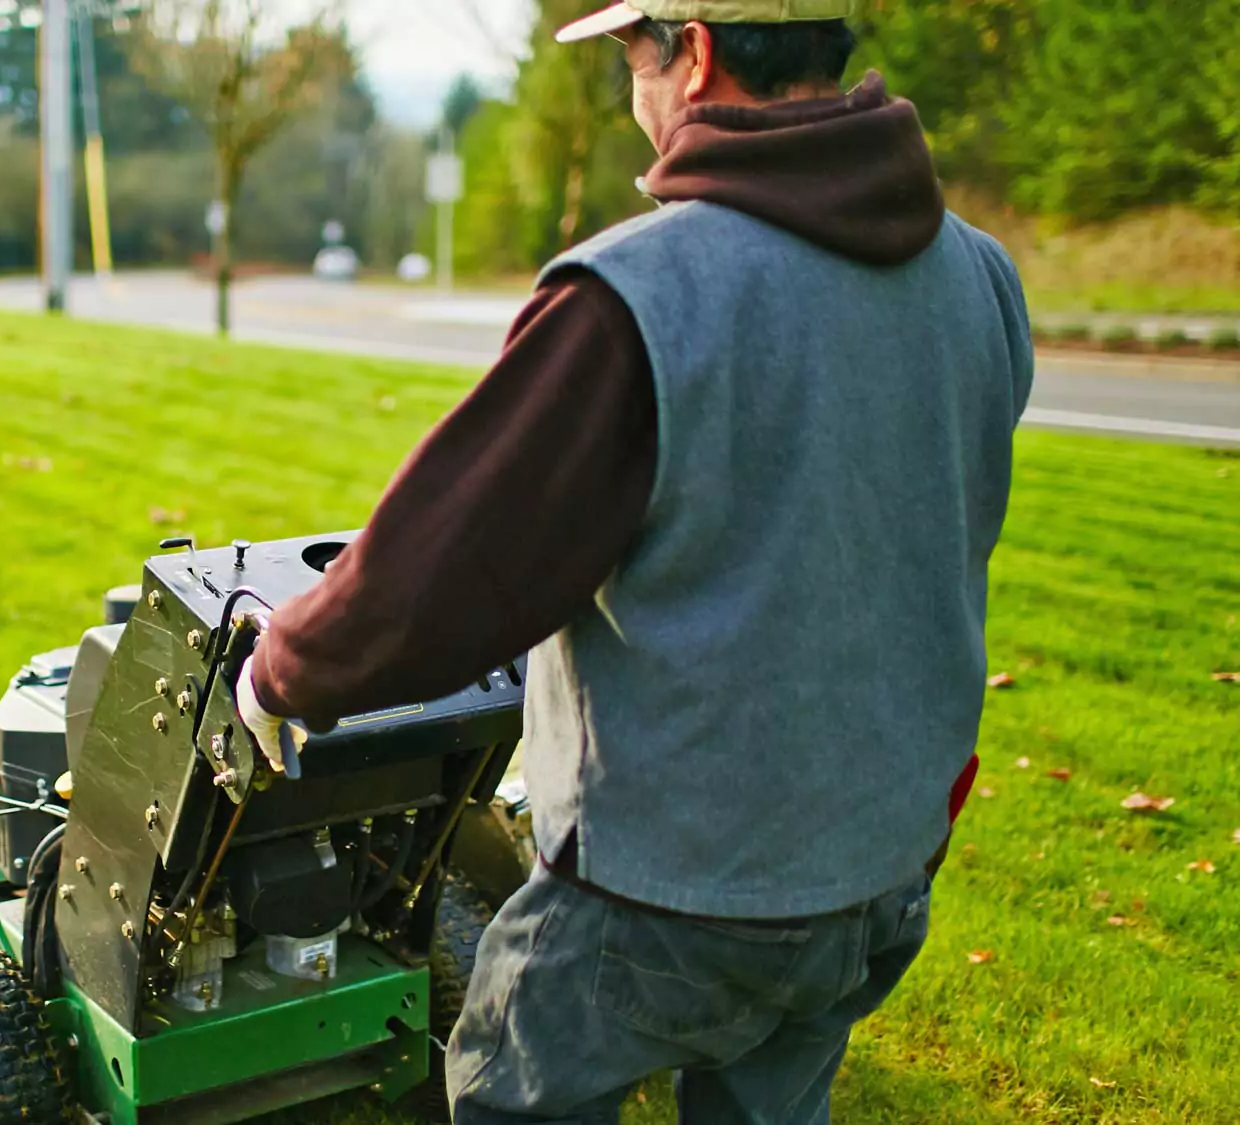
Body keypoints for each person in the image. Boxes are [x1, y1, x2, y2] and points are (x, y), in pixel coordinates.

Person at [232, 1, 1034, 1122]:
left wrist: (281, 672)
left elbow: (442, 576)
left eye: (628, 59)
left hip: (667, 890)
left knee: (515, 1098)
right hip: (881, 862)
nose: (631, 95)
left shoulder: (637, 295)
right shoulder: (979, 275)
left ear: (693, 54)